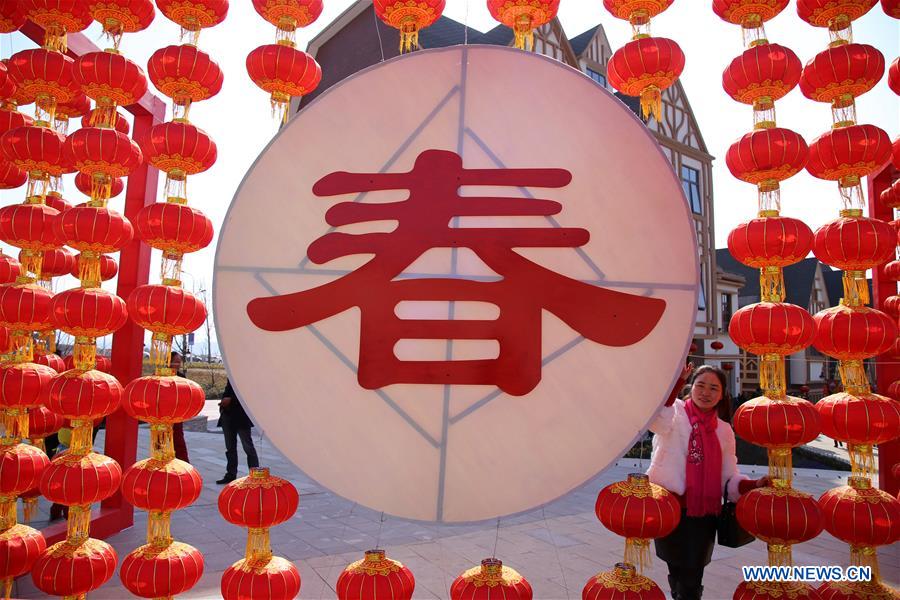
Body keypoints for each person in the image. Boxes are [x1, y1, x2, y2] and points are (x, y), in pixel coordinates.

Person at [647, 363, 770, 600]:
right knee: (676, 569)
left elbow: (728, 476)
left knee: (692, 577)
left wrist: (752, 485)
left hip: (703, 514)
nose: (706, 392)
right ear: (691, 387)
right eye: (700, 385)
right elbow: (657, 423)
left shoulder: (724, 430)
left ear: (722, 394)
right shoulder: (675, 412)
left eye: (714, 388)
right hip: (669, 507)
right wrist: (676, 383)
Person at [217, 378, 259, 484]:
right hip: (228, 415)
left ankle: (255, 474)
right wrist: (223, 403)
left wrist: (231, 400)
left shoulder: (245, 376)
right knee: (230, 448)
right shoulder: (231, 376)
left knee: (248, 447)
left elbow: (248, 394)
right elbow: (227, 391)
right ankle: (230, 474)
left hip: (241, 417)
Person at [169, 352, 191, 463]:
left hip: (177, 414)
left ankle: (183, 463)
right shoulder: (160, 376)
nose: (178, 365)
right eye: (175, 362)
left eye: (179, 362)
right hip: (163, 415)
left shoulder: (181, 377)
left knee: (178, 440)